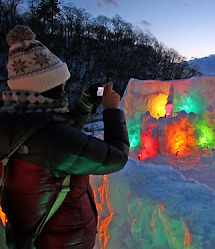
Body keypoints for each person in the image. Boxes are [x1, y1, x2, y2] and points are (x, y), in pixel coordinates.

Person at [0, 25, 130, 248]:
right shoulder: (51, 138)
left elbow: (65, 145)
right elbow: (116, 157)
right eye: (61, 82)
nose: (64, 86)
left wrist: (83, 106)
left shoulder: (15, 121)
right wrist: (112, 110)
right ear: (46, 85)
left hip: (33, 236)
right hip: (60, 240)